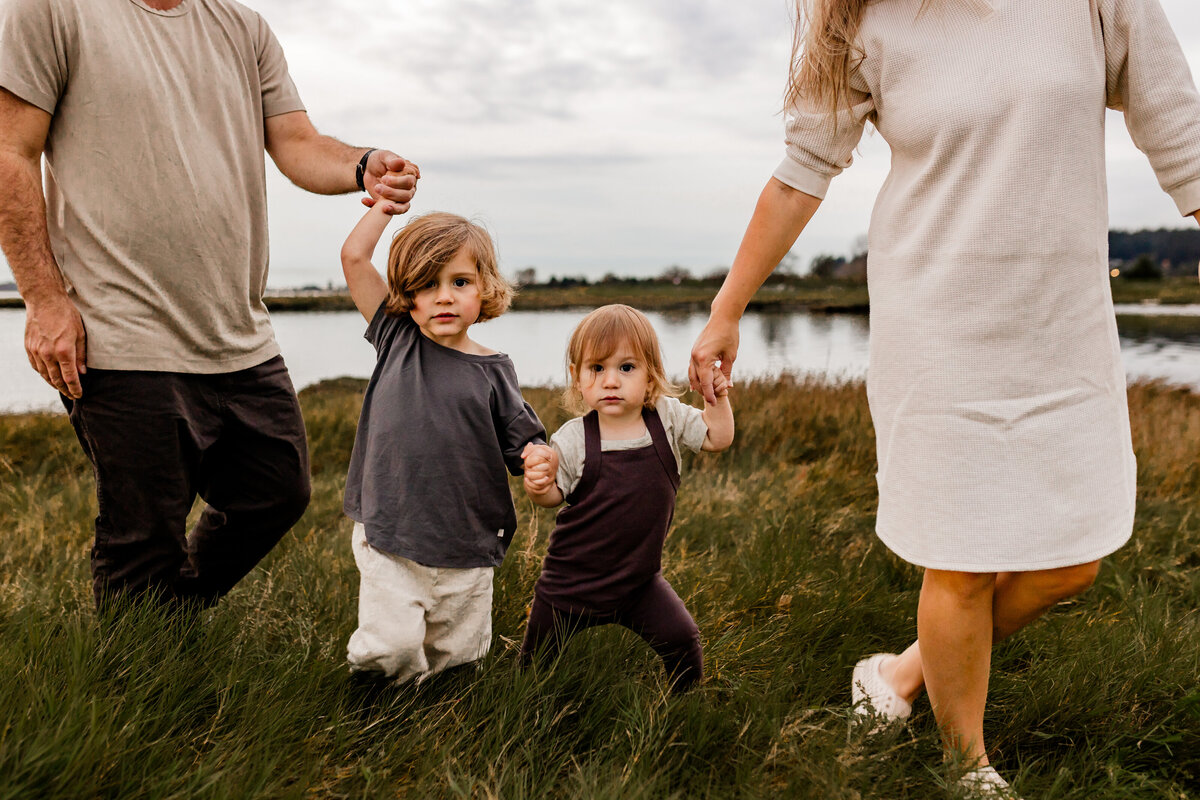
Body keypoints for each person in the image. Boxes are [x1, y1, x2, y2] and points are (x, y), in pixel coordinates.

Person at [688, 0, 1200, 795]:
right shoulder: (862, 21)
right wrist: (726, 310)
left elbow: (1177, 125)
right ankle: (969, 766)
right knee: (959, 560)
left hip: (1060, 323)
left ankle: (898, 675)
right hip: (937, 326)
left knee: (1074, 560)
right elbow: (799, 175)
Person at [0, 0, 420, 611]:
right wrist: (43, 299)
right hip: (118, 332)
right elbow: (10, 153)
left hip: (238, 333)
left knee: (277, 491)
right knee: (142, 539)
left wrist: (363, 167)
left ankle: (173, 620)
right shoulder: (52, 10)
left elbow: (298, 143)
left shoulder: (242, 26)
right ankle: (140, 687)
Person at [339, 205, 546, 683]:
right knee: (389, 645)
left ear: (485, 288)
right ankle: (373, 706)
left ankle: (447, 714)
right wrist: (385, 208)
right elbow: (353, 256)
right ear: (406, 294)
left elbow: (523, 438)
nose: (443, 298)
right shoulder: (396, 339)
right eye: (427, 285)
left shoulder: (495, 369)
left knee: (458, 653)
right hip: (391, 528)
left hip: (467, 538)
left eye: (459, 282)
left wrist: (537, 457)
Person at [521, 304, 734, 692]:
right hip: (568, 585)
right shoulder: (572, 438)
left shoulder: (666, 418)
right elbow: (554, 496)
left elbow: (716, 438)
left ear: (651, 376)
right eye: (597, 369)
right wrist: (540, 486)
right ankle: (525, 707)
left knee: (683, 641)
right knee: (535, 668)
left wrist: (715, 400)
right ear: (578, 377)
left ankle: (685, 706)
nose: (611, 381)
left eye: (626, 368)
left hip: (639, 581)